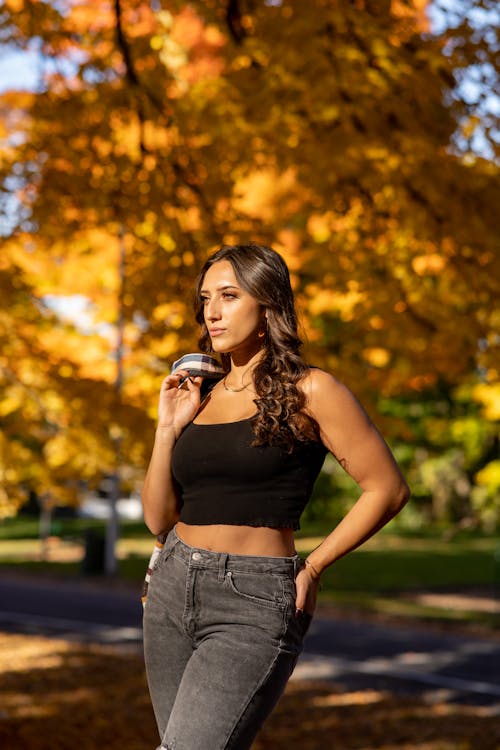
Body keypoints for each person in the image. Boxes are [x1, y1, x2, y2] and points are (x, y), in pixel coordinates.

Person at [141, 242, 410, 750]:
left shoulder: (312, 390)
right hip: (171, 586)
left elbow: (388, 489)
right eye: (204, 299)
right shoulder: (202, 394)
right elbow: (158, 518)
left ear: (267, 304)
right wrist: (166, 429)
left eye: (228, 295)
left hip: (253, 599)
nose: (212, 312)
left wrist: (313, 567)